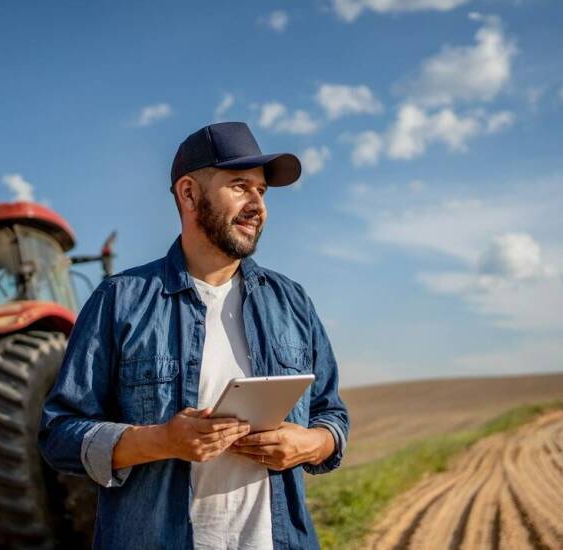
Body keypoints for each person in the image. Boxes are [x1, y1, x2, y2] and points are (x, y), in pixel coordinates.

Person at [39, 121, 349, 549]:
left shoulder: (291, 302)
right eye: (240, 186)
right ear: (188, 193)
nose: (257, 204)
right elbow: (59, 435)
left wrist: (310, 444)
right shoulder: (119, 300)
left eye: (261, 191)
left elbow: (331, 415)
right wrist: (159, 440)